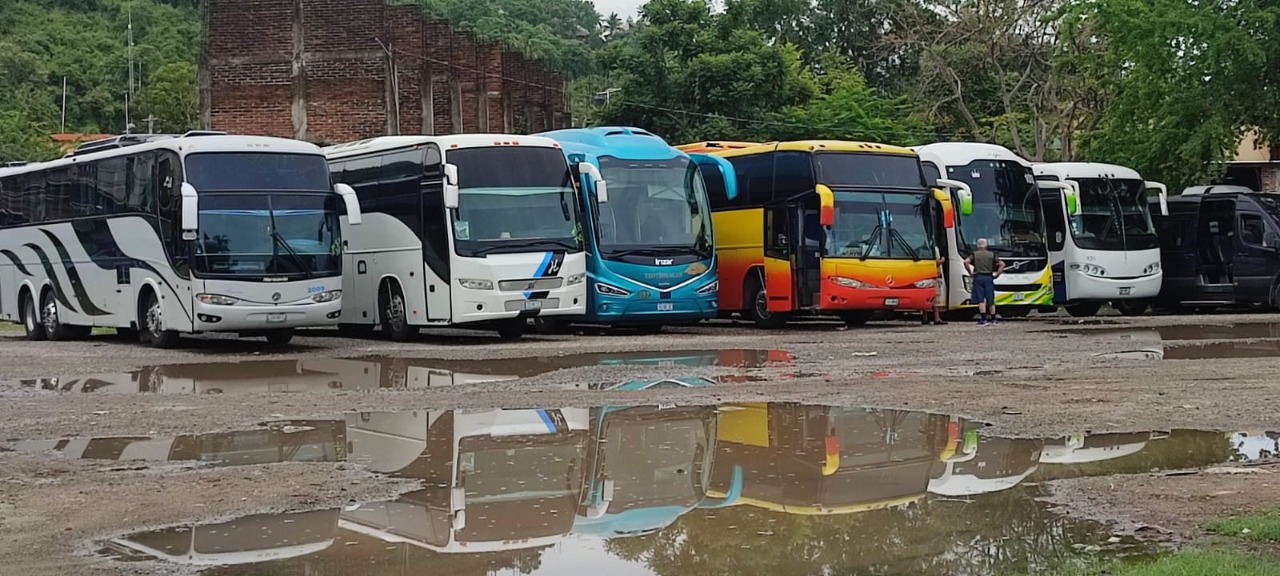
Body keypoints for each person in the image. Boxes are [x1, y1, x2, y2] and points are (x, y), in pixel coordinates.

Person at [963, 238, 1004, 325]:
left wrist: (970, 273)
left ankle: (983, 319)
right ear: (986, 245)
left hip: (978, 277)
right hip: (989, 277)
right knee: (990, 299)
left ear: (978, 245)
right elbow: (1002, 264)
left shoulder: (974, 254)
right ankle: (993, 319)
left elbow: (966, 262)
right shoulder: (992, 254)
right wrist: (997, 274)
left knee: (981, 299)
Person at [922, 245, 947, 325]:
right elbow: (936, 263)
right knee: (936, 298)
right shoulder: (934, 249)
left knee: (926, 298)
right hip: (934, 275)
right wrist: (942, 260)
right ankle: (937, 318)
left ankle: (925, 318)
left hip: (925, 275)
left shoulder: (921, 249)